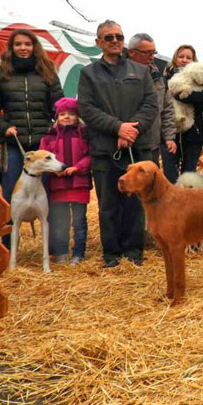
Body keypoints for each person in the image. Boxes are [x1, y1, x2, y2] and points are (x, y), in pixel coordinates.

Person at [77, 20, 159, 268]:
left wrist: (131, 129)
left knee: (136, 204)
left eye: (119, 37)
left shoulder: (140, 71)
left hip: (137, 148)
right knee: (108, 204)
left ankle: (134, 252)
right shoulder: (88, 73)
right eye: (109, 37)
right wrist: (117, 128)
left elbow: (150, 105)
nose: (115, 41)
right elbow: (87, 109)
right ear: (98, 42)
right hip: (105, 149)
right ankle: (111, 255)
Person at [0, 28, 64, 214]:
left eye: (27, 44)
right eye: (18, 44)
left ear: (34, 46)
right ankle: (6, 243)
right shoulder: (0, 73)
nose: (23, 48)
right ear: (11, 47)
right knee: (10, 194)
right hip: (14, 144)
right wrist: (4, 127)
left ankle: (51, 243)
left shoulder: (47, 70)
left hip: (44, 144)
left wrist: (55, 123)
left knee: (48, 196)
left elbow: (58, 105)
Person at [40, 97, 91, 265]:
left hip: (79, 184)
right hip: (58, 185)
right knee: (61, 221)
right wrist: (55, 171)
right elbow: (42, 158)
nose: (66, 117)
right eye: (62, 114)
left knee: (79, 221)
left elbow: (90, 156)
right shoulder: (49, 137)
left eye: (71, 114)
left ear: (77, 116)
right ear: (57, 117)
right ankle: (62, 252)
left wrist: (78, 167)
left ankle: (78, 253)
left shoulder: (84, 134)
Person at [126, 33, 177, 180]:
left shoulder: (158, 78)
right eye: (146, 52)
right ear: (131, 52)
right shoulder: (120, 76)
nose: (152, 57)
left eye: (153, 52)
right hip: (127, 143)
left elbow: (167, 109)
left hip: (151, 144)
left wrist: (168, 136)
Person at [163, 44, 203, 178]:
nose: (184, 60)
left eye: (189, 58)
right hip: (170, 133)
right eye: (181, 56)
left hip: (193, 132)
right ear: (175, 58)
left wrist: (180, 94)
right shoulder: (164, 78)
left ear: (194, 61)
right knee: (170, 174)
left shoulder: (200, 80)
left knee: (189, 175)